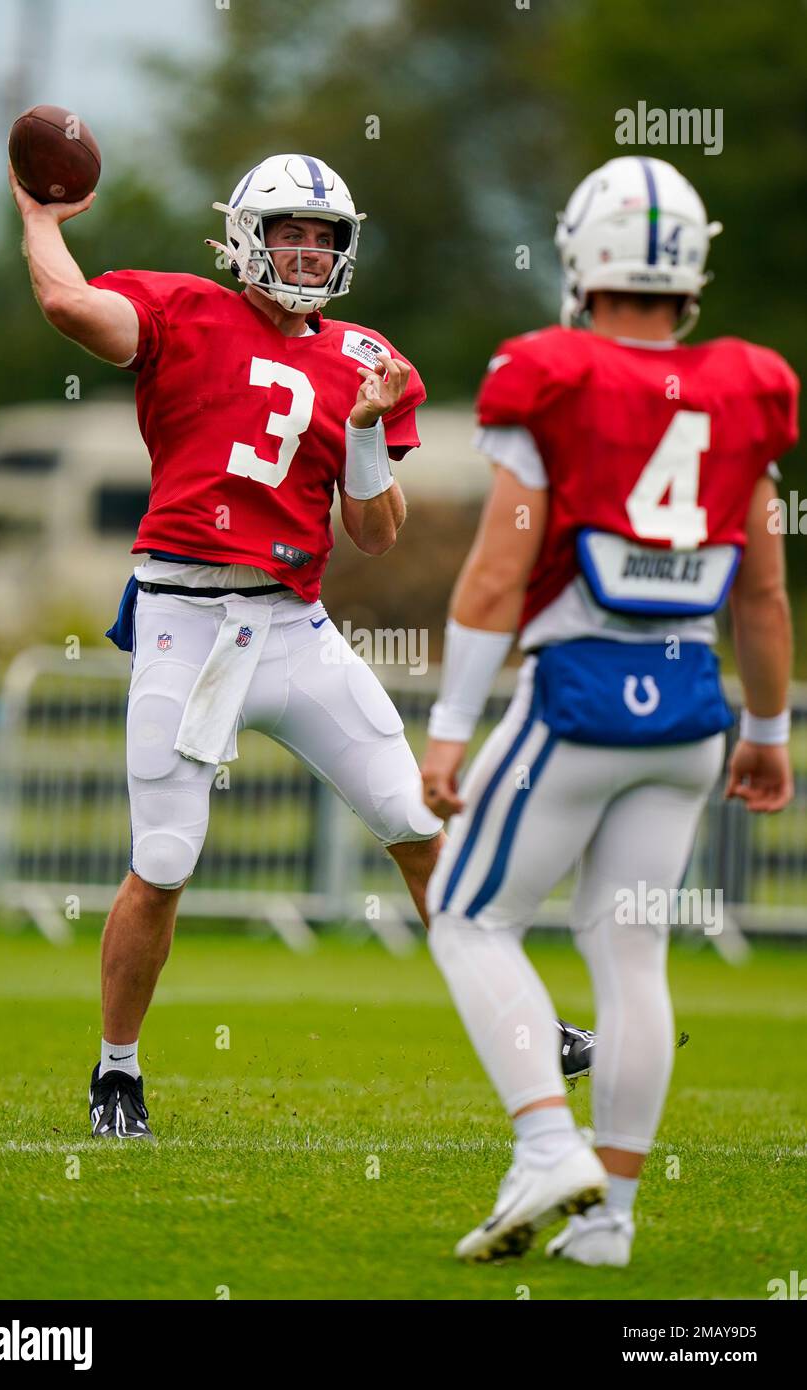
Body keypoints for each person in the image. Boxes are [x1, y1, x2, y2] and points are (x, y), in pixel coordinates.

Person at [10, 150, 597, 1141]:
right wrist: (39, 218)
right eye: (290, 229)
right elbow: (73, 309)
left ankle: (528, 1024)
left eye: (325, 236)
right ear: (245, 235)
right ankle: (118, 1073)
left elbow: (372, 531)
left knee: (418, 827)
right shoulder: (184, 309)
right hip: (184, 619)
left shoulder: (367, 358)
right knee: (163, 857)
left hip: (293, 623)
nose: (309, 250)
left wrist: (366, 431)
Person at [420, 156, 798, 1266]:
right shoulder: (745, 384)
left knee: (465, 914)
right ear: (691, 267)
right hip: (688, 711)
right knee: (630, 952)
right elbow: (764, 590)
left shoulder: (552, 373)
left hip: (576, 695)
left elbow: (498, 569)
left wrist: (449, 720)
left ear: (580, 258)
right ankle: (611, 1224)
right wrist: (768, 736)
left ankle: (545, 1144)